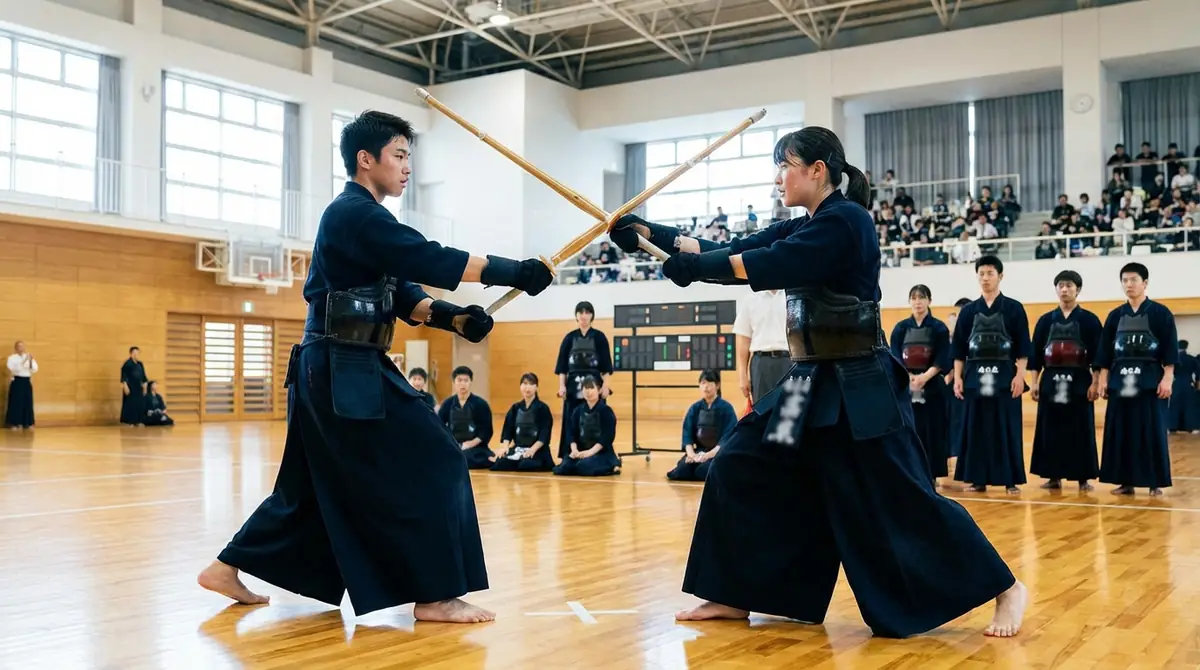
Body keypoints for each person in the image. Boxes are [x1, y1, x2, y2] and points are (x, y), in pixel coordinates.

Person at [608, 126, 1025, 638]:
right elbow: (731, 247)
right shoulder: (803, 224)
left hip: (860, 386)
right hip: (807, 383)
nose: (778, 179)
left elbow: (760, 264)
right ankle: (735, 593)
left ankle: (1006, 587)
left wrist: (694, 268)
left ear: (817, 170)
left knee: (904, 494)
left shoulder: (847, 222)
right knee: (740, 461)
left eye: (784, 167)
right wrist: (647, 234)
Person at [197, 110, 554, 623]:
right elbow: (428, 257)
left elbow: (405, 295)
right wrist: (511, 271)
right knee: (440, 458)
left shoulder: (367, 222)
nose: (407, 167)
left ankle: (224, 567)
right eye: (399, 155)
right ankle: (434, 595)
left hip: (341, 365)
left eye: (410, 157)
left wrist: (455, 319)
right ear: (366, 160)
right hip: (340, 366)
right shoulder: (354, 214)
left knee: (308, 489)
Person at [1095, 262, 1177, 497]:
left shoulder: (1160, 313)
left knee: (1151, 431)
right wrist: (1103, 379)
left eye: (1133, 280)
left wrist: (1167, 378)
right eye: (1124, 280)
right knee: (1121, 431)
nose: (1128, 285)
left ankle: (1154, 482)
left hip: (1149, 381)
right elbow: (1105, 352)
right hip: (1120, 381)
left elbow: (1170, 350)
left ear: (1145, 283)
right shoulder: (1115, 316)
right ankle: (1125, 481)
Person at [952, 256, 1031, 494]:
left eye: (990, 273)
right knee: (975, 428)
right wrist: (958, 378)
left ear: (1000, 276)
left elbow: (1023, 347)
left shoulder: (1014, 308)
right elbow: (959, 349)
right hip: (974, 377)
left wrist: (1019, 376)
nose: (985, 278)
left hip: (1005, 376)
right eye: (981, 274)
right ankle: (978, 480)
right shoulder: (968, 311)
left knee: (1006, 427)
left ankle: (1010, 480)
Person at [1028, 271, 1102, 491]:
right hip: (1051, 379)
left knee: (1080, 428)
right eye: (1060, 285)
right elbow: (1036, 355)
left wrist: (1095, 382)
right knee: (1050, 429)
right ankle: (1053, 476)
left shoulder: (1089, 320)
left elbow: (1098, 355)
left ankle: (1083, 477)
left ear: (1077, 289)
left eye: (1069, 285)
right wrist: (1034, 382)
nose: (1064, 289)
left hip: (1079, 379)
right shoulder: (1046, 320)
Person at [888, 285, 952, 486]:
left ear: (929, 301)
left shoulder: (939, 328)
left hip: (932, 387)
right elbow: (895, 355)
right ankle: (910, 473)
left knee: (932, 431)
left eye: (922, 298)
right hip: (907, 387)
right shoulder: (900, 328)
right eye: (914, 298)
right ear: (909, 302)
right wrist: (908, 377)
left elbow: (943, 356)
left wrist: (925, 377)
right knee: (909, 429)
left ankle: (932, 475)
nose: (918, 302)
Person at [554, 301, 613, 459]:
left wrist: (605, 386)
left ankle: (598, 453)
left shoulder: (599, 337)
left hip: (594, 384)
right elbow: (562, 367)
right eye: (581, 312)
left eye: (587, 312)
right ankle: (570, 453)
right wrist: (562, 386)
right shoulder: (569, 338)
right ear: (576, 315)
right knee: (571, 420)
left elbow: (606, 366)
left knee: (596, 419)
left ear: (592, 315)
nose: (584, 316)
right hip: (573, 386)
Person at [666, 369, 738, 482]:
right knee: (682, 470)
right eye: (703, 383)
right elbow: (687, 434)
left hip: (718, 453)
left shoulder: (726, 408)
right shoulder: (695, 408)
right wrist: (691, 455)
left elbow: (728, 437)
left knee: (703, 471)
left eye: (710, 383)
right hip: (700, 451)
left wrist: (709, 455)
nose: (706, 387)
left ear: (717, 385)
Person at [732, 287, 793, 408]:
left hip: (789, 361)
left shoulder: (792, 295)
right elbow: (743, 339)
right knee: (761, 410)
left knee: (789, 409)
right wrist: (742, 375)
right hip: (761, 363)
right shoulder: (750, 299)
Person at [552, 375, 620, 477]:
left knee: (584, 466)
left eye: (592, 388)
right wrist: (574, 450)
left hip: (600, 452)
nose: (588, 391)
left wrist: (590, 452)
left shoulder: (606, 411)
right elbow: (571, 432)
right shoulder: (577, 411)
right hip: (582, 451)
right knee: (564, 467)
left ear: (598, 390)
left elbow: (607, 437)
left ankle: (612, 464)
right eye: (585, 388)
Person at [491, 372, 555, 472]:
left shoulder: (542, 408)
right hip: (519, 448)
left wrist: (532, 450)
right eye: (524, 384)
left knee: (526, 464)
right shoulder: (515, 408)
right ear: (520, 386)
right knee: (499, 463)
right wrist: (505, 448)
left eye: (531, 384)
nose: (527, 387)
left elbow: (544, 434)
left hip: (537, 450)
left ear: (536, 387)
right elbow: (507, 431)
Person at [437, 366, 496, 470]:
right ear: (454, 382)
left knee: (468, 458)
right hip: (453, 445)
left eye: (466, 380)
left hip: (475, 448)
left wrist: (470, 444)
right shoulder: (447, 404)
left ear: (470, 382)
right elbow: (439, 426)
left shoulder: (481, 404)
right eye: (459, 380)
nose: (462, 384)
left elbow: (486, 431)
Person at [944, 298, 971, 465]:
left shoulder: (975, 332)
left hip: (970, 381)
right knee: (953, 419)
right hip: (953, 384)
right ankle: (953, 453)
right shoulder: (949, 335)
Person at [1167, 340, 1198, 433]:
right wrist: (1197, 385)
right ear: (1186, 347)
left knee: (1174, 406)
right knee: (1189, 406)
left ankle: (1172, 427)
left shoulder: (1173, 359)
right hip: (1188, 383)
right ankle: (1190, 428)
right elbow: (1198, 373)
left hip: (1175, 383)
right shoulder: (1192, 359)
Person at [5, 340, 37, 430]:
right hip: (17, 381)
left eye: (22, 346)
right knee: (16, 402)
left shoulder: (28, 356)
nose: (21, 348)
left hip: (26, 381)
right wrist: (24, 361)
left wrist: (30, 361)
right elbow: (14, 369)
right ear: (16, 348)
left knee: (27, 401)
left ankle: (27, 423)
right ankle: (14, 423)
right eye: (19, 346)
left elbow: (34, 369)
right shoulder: (12, 358)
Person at [120, 346, 147, 426]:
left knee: (139, 404)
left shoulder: (140, 364)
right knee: (130, 404)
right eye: (134, 353)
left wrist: (145, 386)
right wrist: (125, 386)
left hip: (139, 387)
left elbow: (144, 376)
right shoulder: (127, 364)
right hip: (130, 387)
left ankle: (139, 421)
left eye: (137, 353)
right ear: (130, 354)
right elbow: (124, 376)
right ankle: (130, 421)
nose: (136, 355)